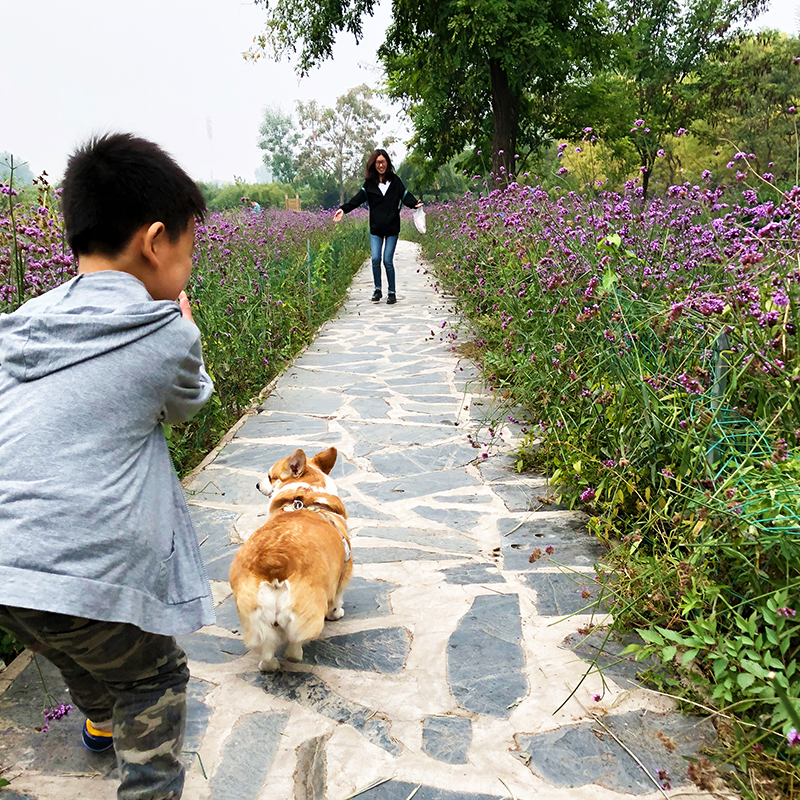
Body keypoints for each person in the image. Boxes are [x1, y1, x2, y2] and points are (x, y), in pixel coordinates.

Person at [0, 133, 214, 800]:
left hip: (7, 564)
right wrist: (183, 326)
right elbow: (188, 403)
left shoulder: (26, 320)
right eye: (189, 247)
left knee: (66, 634)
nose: (190, 262)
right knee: (153, 677)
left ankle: (97, 720)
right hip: (79, 556)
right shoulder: (165, 332)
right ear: (155, 242)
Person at [333, 149, 422, 305]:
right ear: (373, 164)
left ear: (387, 163)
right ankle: (377, 289)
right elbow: (357, 200)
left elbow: (405, 195)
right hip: (376, 228)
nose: (381, 165)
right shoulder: (369, 184)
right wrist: (343, 209)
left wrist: (415, 204)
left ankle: (392, 292)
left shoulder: (395, 181)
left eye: (383, 162)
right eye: (378, 162)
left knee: (387, 260)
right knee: (375, 259)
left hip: (392, 227)